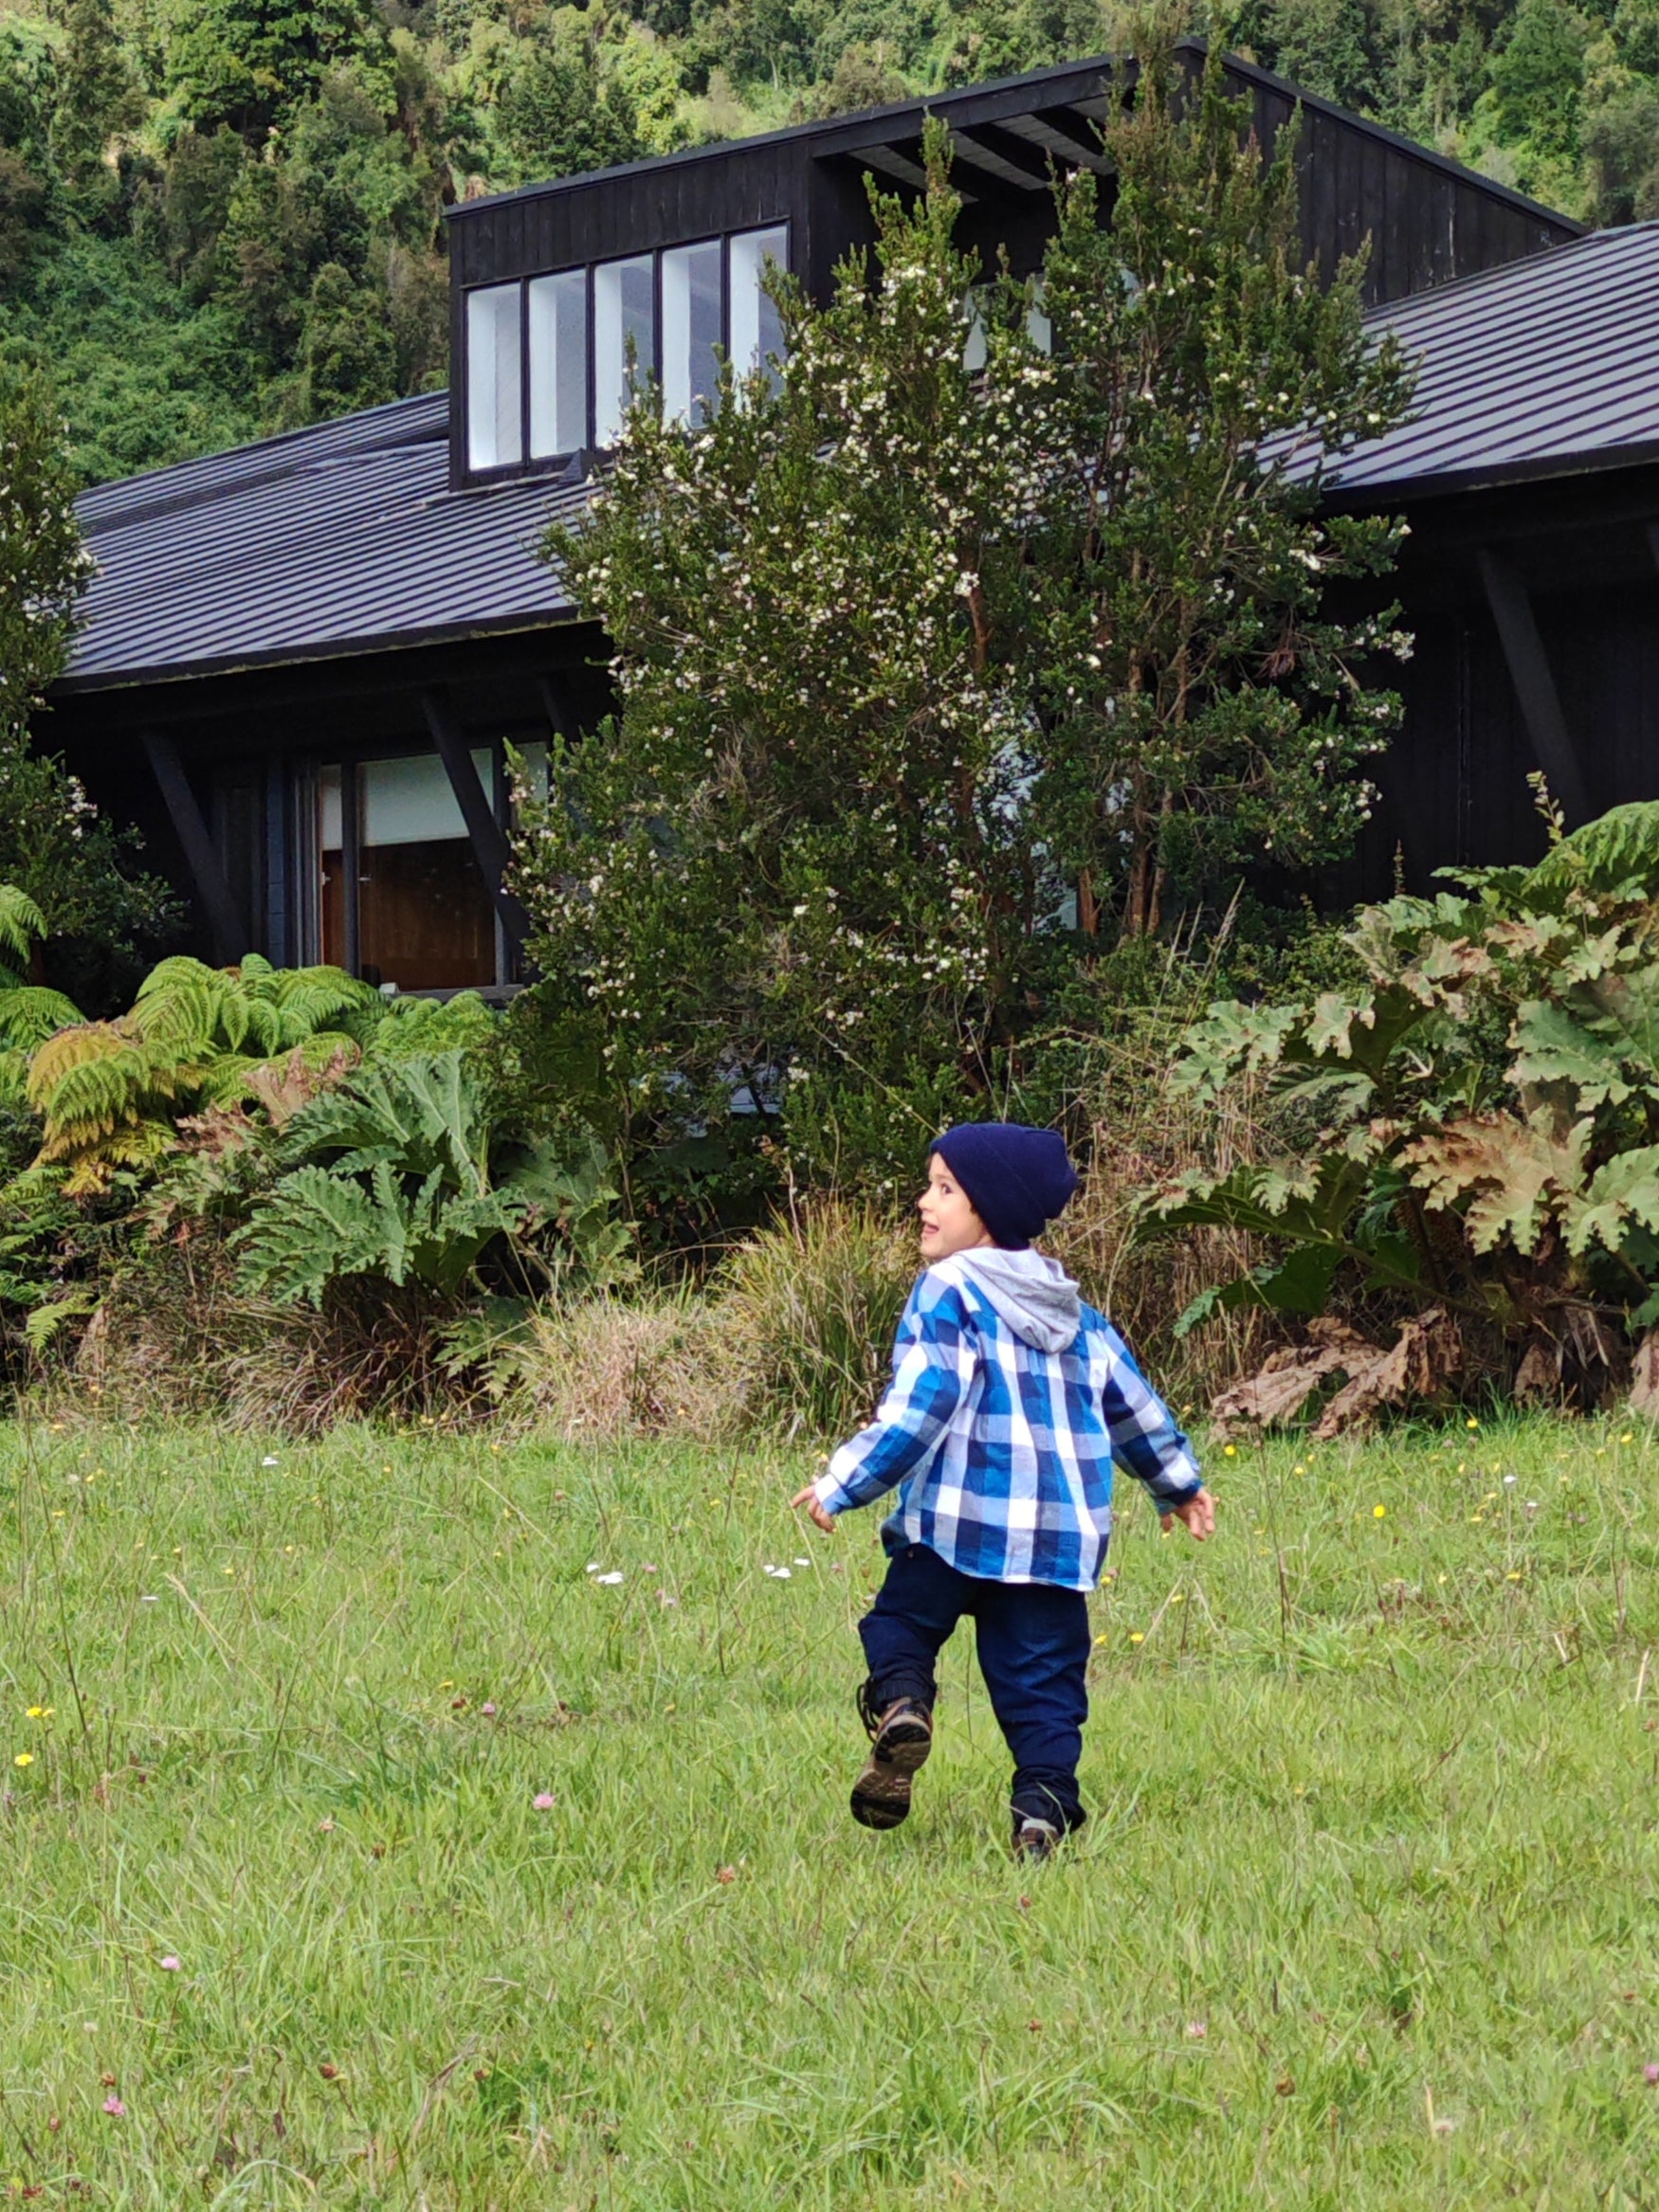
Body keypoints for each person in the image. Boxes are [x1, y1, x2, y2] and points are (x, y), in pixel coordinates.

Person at [792, 1122, 1214, 1861]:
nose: (925, 1202)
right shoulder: (1074, 1312)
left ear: (988, 1207)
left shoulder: (949, 1289)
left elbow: (925, 1400)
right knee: (1045, 1684)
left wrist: (846, 1480)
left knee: (901, 1626)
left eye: (945, 1189)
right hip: (1055, 1541)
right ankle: (1042, 1812)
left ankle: (903, 1706)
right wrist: (1178, 1483)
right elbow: (1133, 1404)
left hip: (954, 1525)